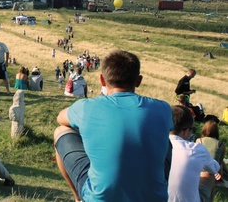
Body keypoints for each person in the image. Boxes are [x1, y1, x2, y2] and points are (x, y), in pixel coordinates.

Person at [54, 50, 173, 202]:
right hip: (154, 197)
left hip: (100, 198)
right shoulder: (163, 108)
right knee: (166, 139)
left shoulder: (87, 107)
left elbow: (60, 118)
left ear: (102, 80)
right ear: (138, 80)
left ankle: (79, 199)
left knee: (61, 131)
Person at [168, 105, 220, 202]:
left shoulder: (154, 146)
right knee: (209, 174)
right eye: (192, 130)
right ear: (185, 131)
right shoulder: (197, 150)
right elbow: (215, 168)